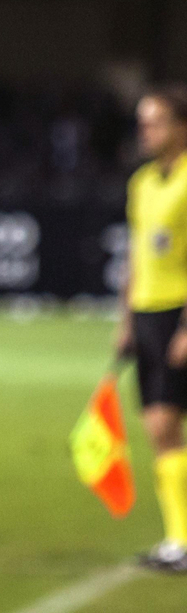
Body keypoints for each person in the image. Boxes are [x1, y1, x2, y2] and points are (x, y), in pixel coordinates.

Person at [117, 83, 187, 573]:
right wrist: (127, 319)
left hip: (180, 311)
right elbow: (136, 254)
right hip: (148, 315)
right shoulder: (142, 182)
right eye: (143, 121)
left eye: (156, 121)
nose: (146, 130)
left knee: (167, 424)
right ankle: (178, 539)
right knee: (159, 426)